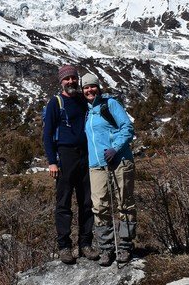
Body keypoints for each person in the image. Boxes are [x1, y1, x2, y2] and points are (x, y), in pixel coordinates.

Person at [42, 65, 99, 264]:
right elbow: (47, 135)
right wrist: (52, 162)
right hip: (65, 156)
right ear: (61, 82)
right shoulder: (55, 103)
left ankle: (85, 244)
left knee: (87, 202)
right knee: (64, 203)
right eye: (67, 79)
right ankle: (64, 246)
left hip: (86, 155)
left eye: (73, 78)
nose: (71, 82)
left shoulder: (83, 101)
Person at [80, 72, 136, 266]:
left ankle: (125, 246)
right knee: (100, 206)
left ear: (98, 87)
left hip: (119, 161)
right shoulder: (86, 111)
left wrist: (115, 148)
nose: (89, 90)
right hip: (96, 165)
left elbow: (127, 128)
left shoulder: (110, 104)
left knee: (124, 203)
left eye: (92, 86)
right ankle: (106, 248)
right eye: (86, 87)